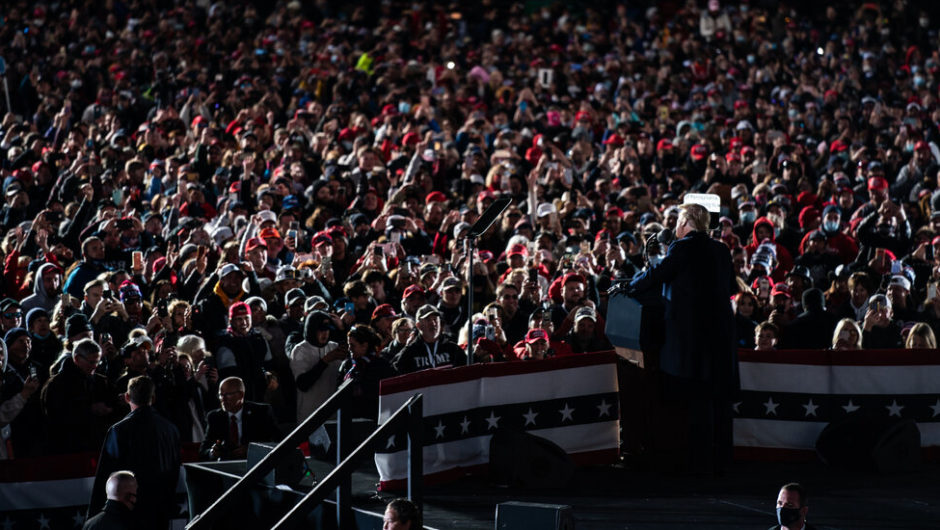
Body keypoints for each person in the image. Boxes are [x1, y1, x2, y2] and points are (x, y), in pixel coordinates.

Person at [628, 203, 738, 474]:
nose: (674, 225)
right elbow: (732, 287)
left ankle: (699, 467)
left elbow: (656, 276)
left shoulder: (683, 247)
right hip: (721, 340)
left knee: (699, 404)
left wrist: (627, 285)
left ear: (687, 221)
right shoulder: (721, 249)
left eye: (677, 219)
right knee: (720, 404)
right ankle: (723, 463)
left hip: (693, 343)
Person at [88, 376, 180, 530]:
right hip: (161, 508)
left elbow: (107, 474)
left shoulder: (119, 431)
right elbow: (175, 470)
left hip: (128, 510)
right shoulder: (171, 430)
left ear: (127, 397)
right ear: (153, 398)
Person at [200, 376, 281, 461]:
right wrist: (212, 453)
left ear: (241, 394)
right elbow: (203, 451)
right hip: (225, 466)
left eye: (227, 395)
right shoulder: (215, 417)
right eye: (220, 395)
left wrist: (251, 450)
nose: (222, 399)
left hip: (255, 464)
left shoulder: (261, 412)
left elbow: (276, 442)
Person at [392, 305, 467, 374]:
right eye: (428, 320)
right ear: (418, 325)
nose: (433, 323)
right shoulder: (410, 352)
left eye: (435, 319)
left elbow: (467, 372)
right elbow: (394, 371)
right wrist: (406, 347)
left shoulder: (453, 349)